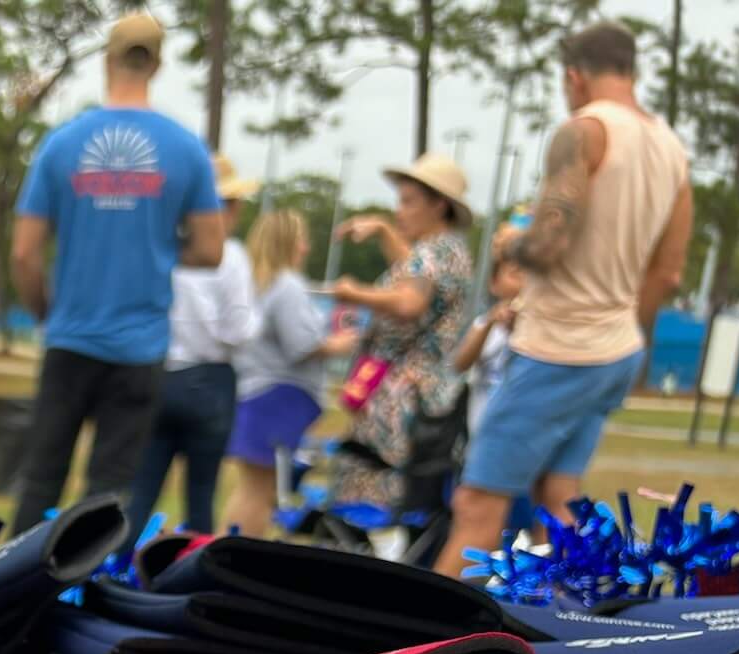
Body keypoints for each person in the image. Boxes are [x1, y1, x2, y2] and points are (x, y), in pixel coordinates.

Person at [437, 21, 693, 576]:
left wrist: (512, 242)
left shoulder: (583, 131)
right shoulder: (672, 150)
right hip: (617, 348)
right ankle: (582, 626)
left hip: (558, 344)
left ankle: (416, 649)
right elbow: (667, 273)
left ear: (574, 77)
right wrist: (626, 338)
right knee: (559, 503)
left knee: (477, 505)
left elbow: (548, 246)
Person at [9, 12, 222, 536]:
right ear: (158, 64)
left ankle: (6, 601)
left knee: (40, 482)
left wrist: (45, 310)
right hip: (139, 349)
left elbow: (23, 254)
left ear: (108, 58)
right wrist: (162, 251)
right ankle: (84, 602)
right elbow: (212, 249)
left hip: (70, 337)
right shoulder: (186, 148)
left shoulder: (61, 144)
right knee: (108, 493)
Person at [325, 153, 475, 514]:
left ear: (439, 205)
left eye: (408, 202)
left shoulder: (433, 254)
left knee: (372, 500)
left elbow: (410, 301)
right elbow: (412, 270)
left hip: (400, 399)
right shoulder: (446, 250)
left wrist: (354, 293)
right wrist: (382, 230)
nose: (400, 211)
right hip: (425, 392)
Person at [124, 153, 258, 536]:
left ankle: (114, 570)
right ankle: (191, 580)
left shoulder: (161, 251)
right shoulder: (231, 257)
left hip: (157, 375)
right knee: (200, 495)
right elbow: (238, 331)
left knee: (141, 490)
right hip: (209, 381)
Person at [225, 210, 359, 529]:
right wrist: (341, 343)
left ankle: (230, 547)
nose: (306, 247)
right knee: (261, 491)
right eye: (301, 239)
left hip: (254, 392)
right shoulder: (288, 285)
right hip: (277, 396)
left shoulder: (256, 283)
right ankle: (236, 556)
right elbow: (301, 345)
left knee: (251, 487)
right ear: (287, 242)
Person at [453, 251, 525, 442]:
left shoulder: (536, 329)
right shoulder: (484, 323)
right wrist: (490, 323)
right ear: (494, 283)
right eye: (515, 274)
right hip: (479, 426)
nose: (524, 281)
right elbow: (460, 364)